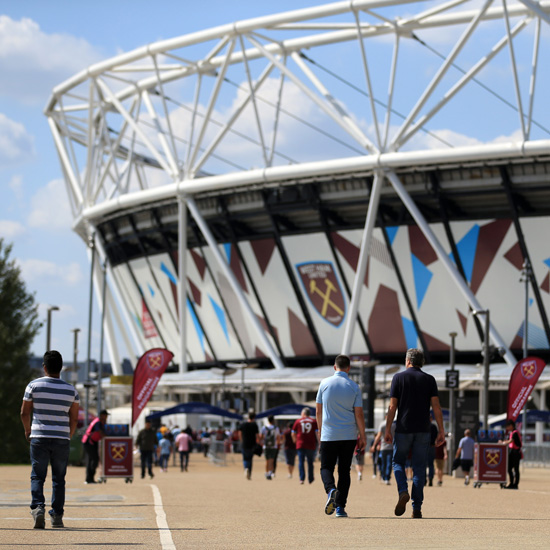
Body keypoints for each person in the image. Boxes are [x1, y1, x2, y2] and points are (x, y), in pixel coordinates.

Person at [20, 350, 80, 529]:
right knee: (59, 478)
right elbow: (75, 418)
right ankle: (57, 515)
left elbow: (24, 412)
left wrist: (27, 430)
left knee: (37, 475)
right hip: (61, 437)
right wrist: (68, 435)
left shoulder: (33, 386)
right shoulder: (71, 390)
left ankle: (38, 508)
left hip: (39, 435)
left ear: (44, 367)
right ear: (61, 368)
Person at [385, 348, 445, 519]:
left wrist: (388, 429)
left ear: (408, 361)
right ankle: (416, 507)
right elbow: (436, 407)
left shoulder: (398, 378)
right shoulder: (429, 379)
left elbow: (392, 406)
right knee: (419, 468)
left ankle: (403, 490)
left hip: (403, 428)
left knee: (398, 462)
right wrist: (441, 430)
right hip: (423, 429)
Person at [316, 354, 366, 519]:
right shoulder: (354, 386)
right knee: (344, 471)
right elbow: (359, 414)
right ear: (349, 368)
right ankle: (340, 508)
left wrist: (320, 431)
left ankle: (331, 490)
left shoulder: (324, 383)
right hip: (348, 435)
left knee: (326, 468)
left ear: (334, 367)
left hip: (329, 434)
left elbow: (318, 411)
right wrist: (363, 435)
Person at [292, 407, 318, 485]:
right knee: (310, 462)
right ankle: (310, 478)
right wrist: (320, 443)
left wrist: (295, 441)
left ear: (303, 413)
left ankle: (302, 478)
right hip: (311, 444)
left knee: (301, 461)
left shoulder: (298, 421)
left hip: (300, 444)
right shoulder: (314, 421)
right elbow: (317, 433)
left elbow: (293, 432)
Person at [81, 409, 109, 484]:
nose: (106, 417)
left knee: (91, 460)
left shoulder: (100, 422)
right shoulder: (98, 422)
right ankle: (89, 479)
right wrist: (108, 438)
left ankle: (89, 479)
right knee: (94, 459)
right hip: (88, 442)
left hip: (93, 442)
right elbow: (100, 433)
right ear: (102, 415)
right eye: (106, 415)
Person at [372, 414, 395, 485]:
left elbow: (378, 436)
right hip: (391, 447)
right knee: (388, 463)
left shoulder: (382, 424)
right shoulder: (394, 425)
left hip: (383, 447)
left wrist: (374, 445)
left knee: (384, 463)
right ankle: (386, 478)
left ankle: (384, 476)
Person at [500, 419, 522, 489]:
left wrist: (504, 442)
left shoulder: (515, 432)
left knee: (516, 469)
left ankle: (515, 484)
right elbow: (509, 441)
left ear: (511, 426)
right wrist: (503, 441)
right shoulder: (512, 432)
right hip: (512, 452)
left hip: (515, 452)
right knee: (509, 468)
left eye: (508, 426)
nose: (507, 428)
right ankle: (511, 483)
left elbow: (511, 441)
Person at [238, 411, 260, 480]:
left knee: (245, 458)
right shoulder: (254, 425)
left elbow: (239, 433)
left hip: (244, 444)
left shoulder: (243, 424)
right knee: (250, 459)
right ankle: (249, 473)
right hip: (252, 445)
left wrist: (241, 441)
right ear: (254, 417)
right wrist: (258, 442)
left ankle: (246, 468)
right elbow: (257, 436)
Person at [261, 415, 281, 480]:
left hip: (266, 446)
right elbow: (278, 438)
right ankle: (270, 472)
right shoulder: (276, 428)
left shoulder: (264, 427)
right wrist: (278, 444)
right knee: (272, 460)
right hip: (273, 446)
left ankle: (266, 472)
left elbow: (261, 436)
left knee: (267, 460)